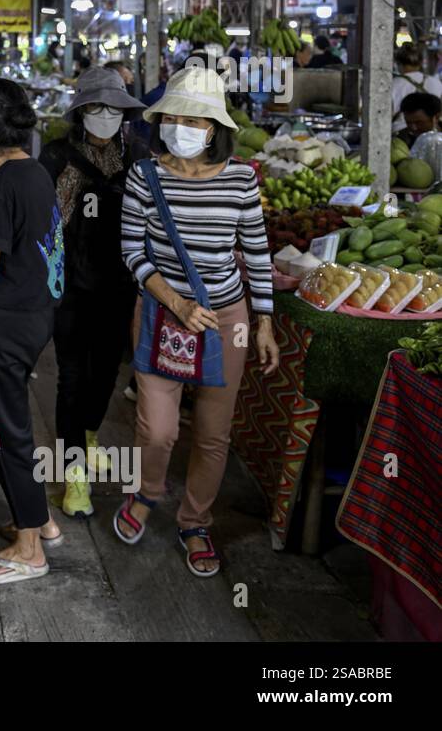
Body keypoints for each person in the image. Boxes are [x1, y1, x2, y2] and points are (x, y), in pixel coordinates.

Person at [115, 65, 279, 578]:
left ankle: (196, 521)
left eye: (192, 118)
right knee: (157, 428)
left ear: (213, 128)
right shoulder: (145, 176)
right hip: (163, 313)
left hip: (226, 318)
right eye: (172, 116)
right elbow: (132, 252)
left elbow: (256, 253)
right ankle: (148, 492)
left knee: (213, 432)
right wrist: (177, 302)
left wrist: (265, 321)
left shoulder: (240, 181)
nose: (179, 125)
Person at [0, 78, 66, 585]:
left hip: (4, 325)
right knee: (5, 422)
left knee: (5, 429)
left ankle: (28, 548)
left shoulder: (1, 184)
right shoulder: (37, 173)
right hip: (36, 318)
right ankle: (39, 519)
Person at [39, 68, 149, 518]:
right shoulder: (55, 156)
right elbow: (43, 222)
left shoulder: (140, 157)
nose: (105, 116)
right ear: (81, 111)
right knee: (71, 377)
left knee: (106, 375)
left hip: (120, 285)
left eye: (113, 109)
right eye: (95, 108)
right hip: (69, 288)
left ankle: (86, 437)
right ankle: (74, 476)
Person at [390, 43, 442, 134]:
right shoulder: (436, 82)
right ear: (421, 62)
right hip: (430, 133)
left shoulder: (393, 84)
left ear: (397, 63)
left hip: (402, 135)